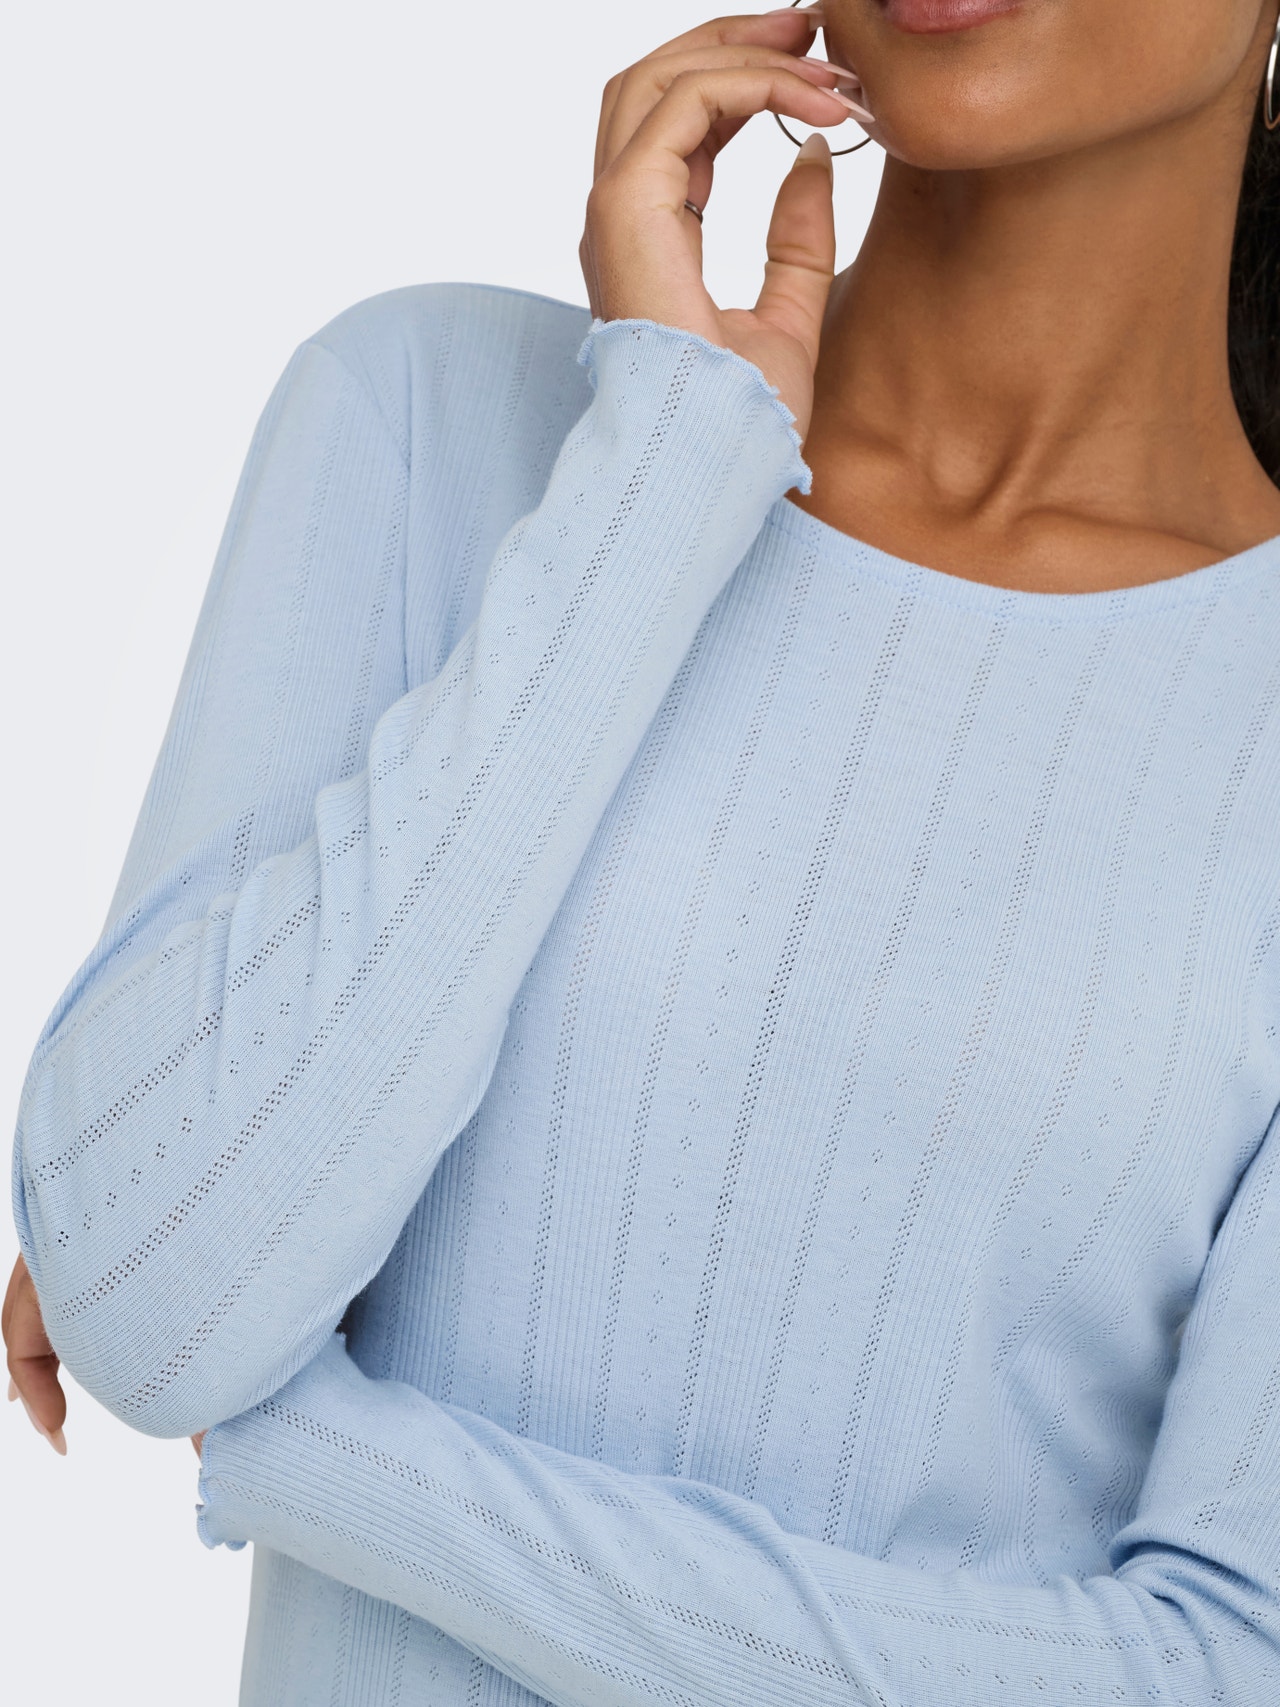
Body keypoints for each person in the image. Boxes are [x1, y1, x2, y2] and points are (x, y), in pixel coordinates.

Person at [8, 0, 1280, 1699]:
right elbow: (157, 1296)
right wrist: (664, 475)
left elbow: (1216, 1668)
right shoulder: (431, 414)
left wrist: (317, 1452)